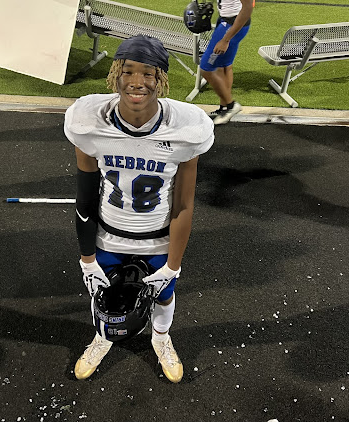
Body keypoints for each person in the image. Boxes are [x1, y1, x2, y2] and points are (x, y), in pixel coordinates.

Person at [64, 34, 214, 383]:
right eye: (128, 71)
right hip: (108, 235)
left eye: (148, 73)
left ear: (161, 78)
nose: (137, 82)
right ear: (115, 74)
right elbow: (85, 197)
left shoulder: (185, 129)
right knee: (102, 293)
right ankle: (103, 336)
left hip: (158, 237)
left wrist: (173, 266)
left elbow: (183, 205)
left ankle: (161, 338)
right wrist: (87, 258)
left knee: (163, 296)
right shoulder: (90, 122)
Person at [200, 0, 253, 125]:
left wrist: (226, 39)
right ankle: (224, 108)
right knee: (224, 66)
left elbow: (248, 8)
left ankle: (231, 105)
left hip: (233, 24)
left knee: (206, 69)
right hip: (226, 20)